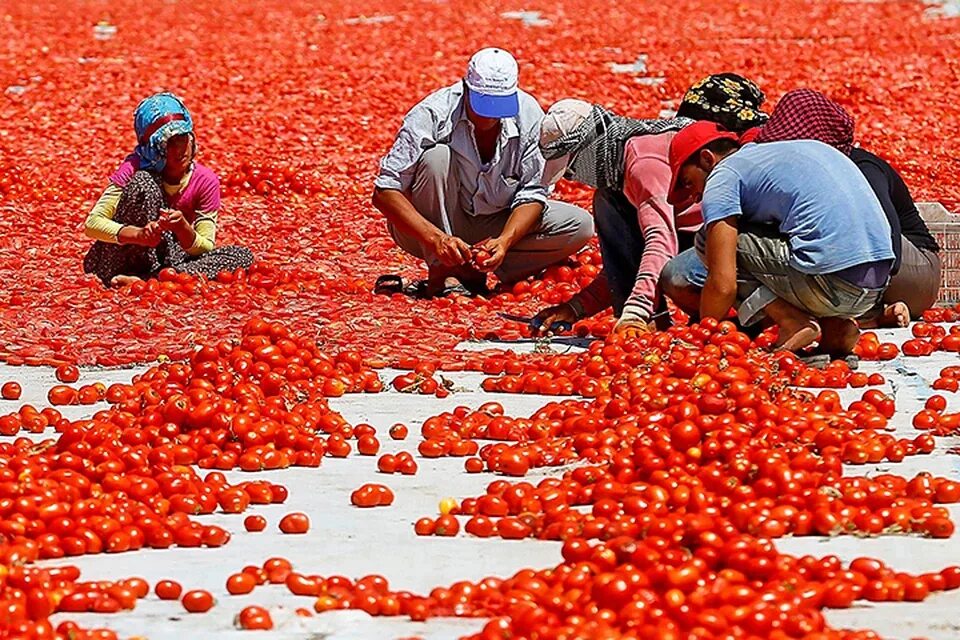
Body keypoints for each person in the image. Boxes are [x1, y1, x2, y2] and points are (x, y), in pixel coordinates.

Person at [532, 74, 768, 335]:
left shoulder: (643, 166)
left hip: (730, 243)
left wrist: (637, 311)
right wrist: (576, 307)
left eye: (571, 169)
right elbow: (624, 265)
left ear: (590, 150)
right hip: (708, 241)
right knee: (608, 199)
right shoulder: (626, 170)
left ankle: (745, 321)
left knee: (671, 272)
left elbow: (660, 241)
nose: (575, 177)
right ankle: (687, 320)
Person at [372, 48, 593, 298]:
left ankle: (474, 270)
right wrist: (436, 239)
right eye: (484, 104)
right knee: (436, 158)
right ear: (466, 88)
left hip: (494, 221)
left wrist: (505, 240)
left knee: (579, 225)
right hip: (432, 222)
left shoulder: (528, 113)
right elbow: (384, 192)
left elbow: (533, 191)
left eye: (499, 105)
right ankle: (442, 269)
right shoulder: (433, 113)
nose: (491, 115)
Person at [666, 121, 895, 356]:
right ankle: (836, 327)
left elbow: (723, 284)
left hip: (830, 283)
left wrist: (706, 336)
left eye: (688, 182)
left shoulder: (723, 175)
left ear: (706, 159)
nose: (695, 197)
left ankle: (792, 322)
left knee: (709, 239)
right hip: (874, 290)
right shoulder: (787, 153)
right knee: (799, 239)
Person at [753, 88, 941, 326]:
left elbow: (886, 238)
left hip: (916, 272)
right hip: (885, 273)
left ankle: (867, 314)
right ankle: (866, 313)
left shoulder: (863, 168)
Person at [84, 93, 253, 287]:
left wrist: (183, 228)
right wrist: (138, 235)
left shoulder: (205, 181)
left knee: (242, 257)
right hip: (120, 258)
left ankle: (150, 281)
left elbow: (206, 246)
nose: (180, 149)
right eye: (167, 143)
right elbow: (92, 224)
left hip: (170, 260)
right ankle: (153, 278)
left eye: (183, 138)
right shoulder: (134, 168)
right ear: (151, 148)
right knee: (144, 181)